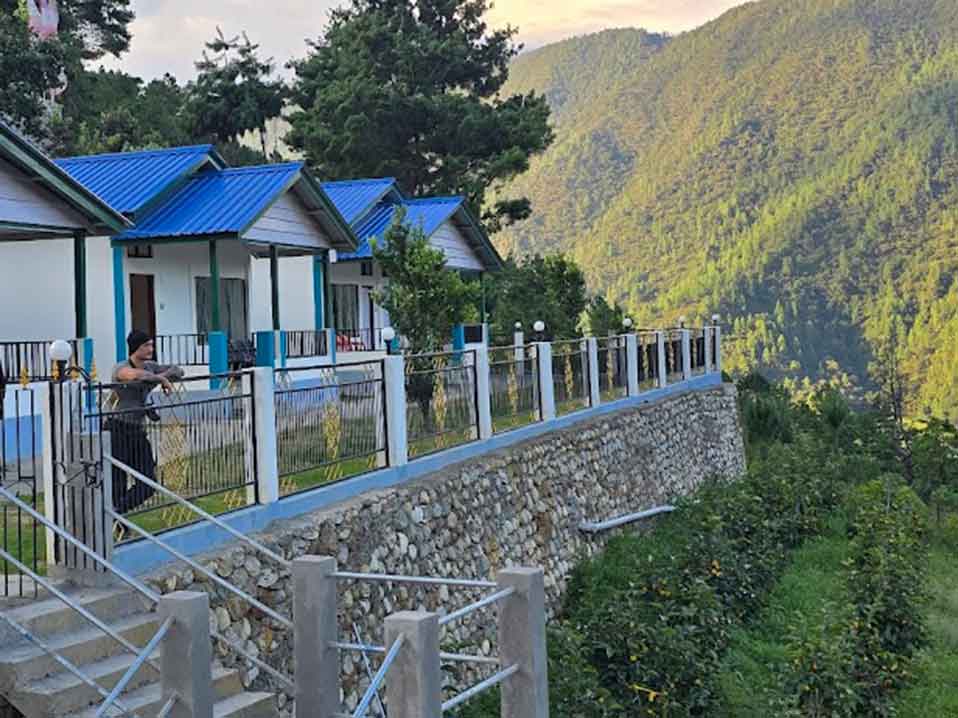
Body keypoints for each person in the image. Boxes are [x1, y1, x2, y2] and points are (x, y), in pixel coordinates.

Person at [107, 331, 184, 514]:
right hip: (117, 429)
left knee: (148, 483)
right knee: (117, 481)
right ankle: (118, 524)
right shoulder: (120, 367)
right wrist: (161, 379)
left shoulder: (150, 366)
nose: (151, 349)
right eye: (146, 346)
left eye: (151, 345)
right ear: (135, 348)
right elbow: (133, 375)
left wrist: (161, 375)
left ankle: (116, 511)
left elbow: (178, 370)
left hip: (137, 430)